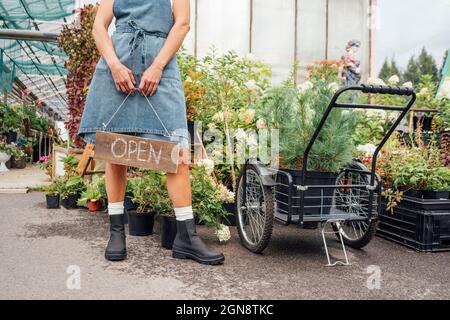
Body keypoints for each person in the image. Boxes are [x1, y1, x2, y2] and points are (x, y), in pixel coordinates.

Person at [77, 0, 224, 265]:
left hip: (161, 65)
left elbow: (182, 23)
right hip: (117, 64)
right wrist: (114, 65)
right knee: (115, 150)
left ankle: (186, 237)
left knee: (176, 152)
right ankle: (117, 232)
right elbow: (99, 26)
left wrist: (157, 66)